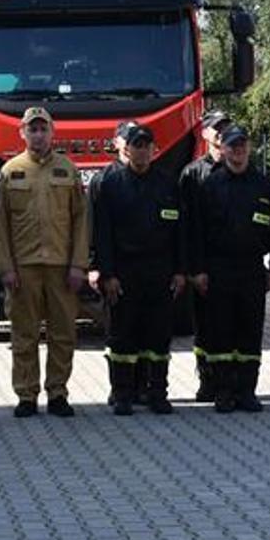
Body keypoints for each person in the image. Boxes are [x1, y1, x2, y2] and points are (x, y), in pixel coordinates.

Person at [0, 106, 91, 418]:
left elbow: (81, 221)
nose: (38, 135)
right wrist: (6, 267)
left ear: (52, 132)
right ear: (22, 133)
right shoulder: (10, 172)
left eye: (42, 129)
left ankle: (58, 392)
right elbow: (1, 226)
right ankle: (26, 395)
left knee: (63, 333)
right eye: (32, 129)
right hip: (24, 267)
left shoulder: (69, 170)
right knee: (24, 334)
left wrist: (79, 265)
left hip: (62, 267)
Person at [88, 121, 186, 416]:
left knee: (158, 337)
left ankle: (157, 393)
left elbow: (180, 232)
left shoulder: (167, 183)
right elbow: (100, 233)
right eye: (136, 146)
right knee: (122, 337)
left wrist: (180, 270)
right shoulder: (108, 182)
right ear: (125, 148)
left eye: (146, 146)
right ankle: (123, 394)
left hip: (160, 272)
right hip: (123, 272)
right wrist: (106, 273)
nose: (142, 151)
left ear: (154, 150)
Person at [187, 125, 270, 413]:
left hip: (252, 270)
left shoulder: (264, 185)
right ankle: (223, 392)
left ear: (248, 148)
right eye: (232, 146)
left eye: (242, 146)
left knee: (250, 332)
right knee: (221, 333)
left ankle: (247, 391)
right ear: (224, 149)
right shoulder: (210, 185)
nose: (238, 151)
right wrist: (199, 270)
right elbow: (197, 232)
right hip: (218, 269)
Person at [180, 109, 234, 402]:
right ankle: (207, 380)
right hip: (204, 264)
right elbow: (186, 225)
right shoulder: (192, 173)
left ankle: (233, 382)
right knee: (206, 327)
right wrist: (193, 267)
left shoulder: (242, 169)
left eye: (226, 127)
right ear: (204, 134)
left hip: (234, 265)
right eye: (216, 128)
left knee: (233, 326)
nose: (222, 133)